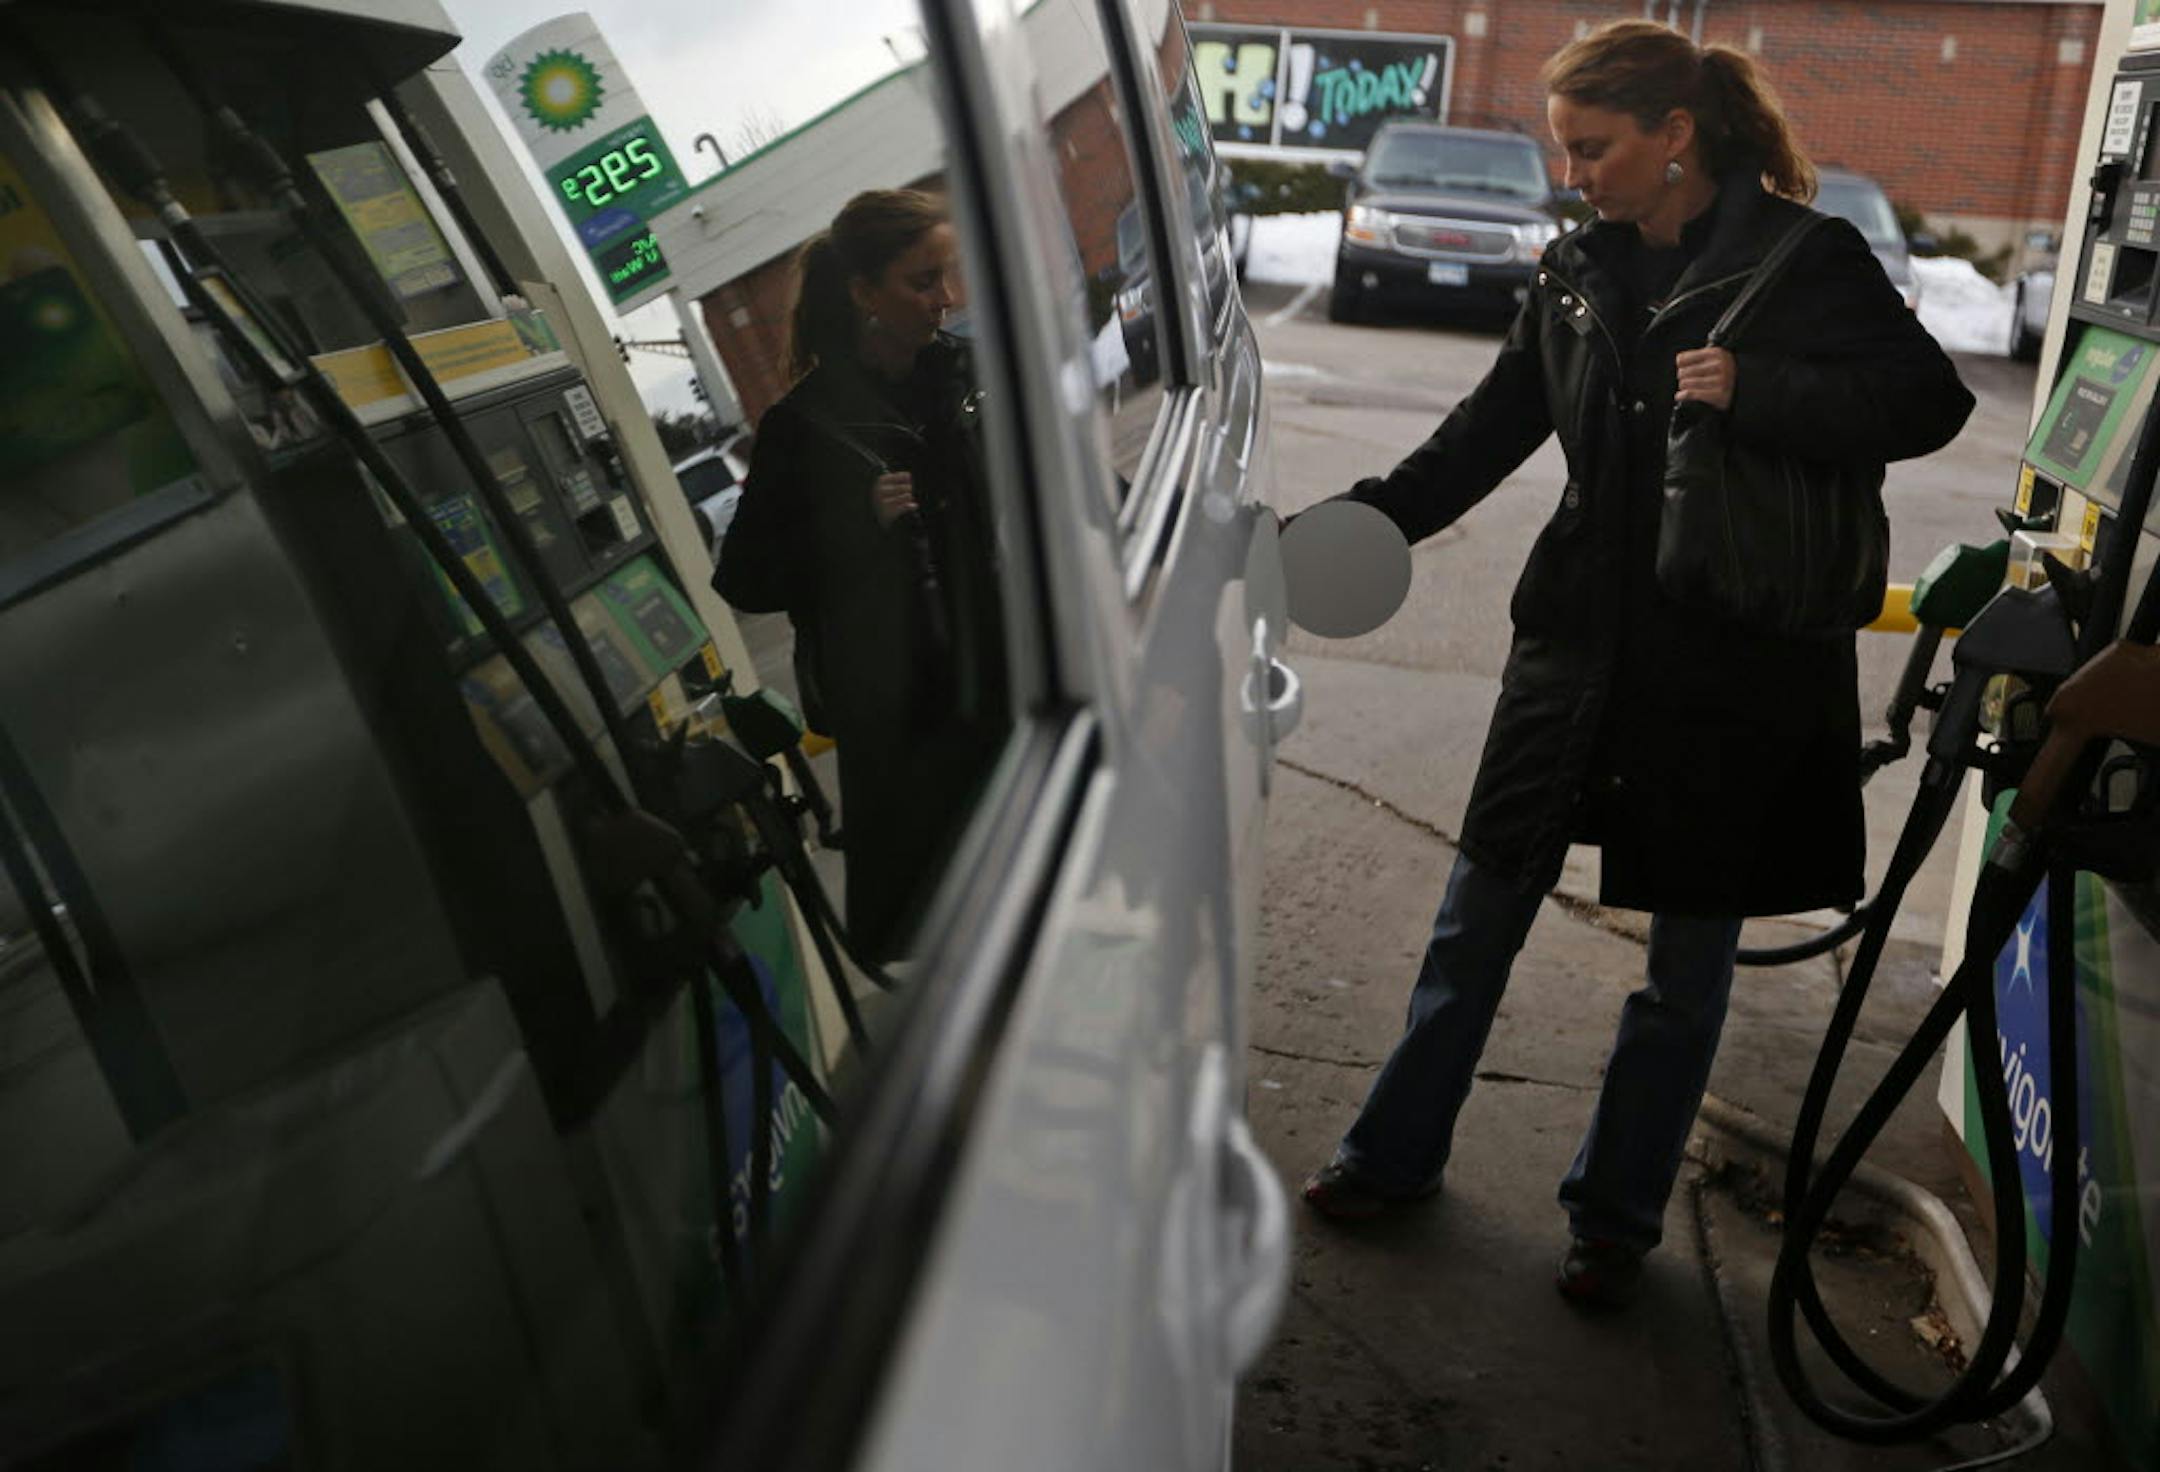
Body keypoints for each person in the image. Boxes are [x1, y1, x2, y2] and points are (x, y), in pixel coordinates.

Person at [1298, 20, 1974, 1309]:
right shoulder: (1572, 270)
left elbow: (1927, 400)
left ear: (1677, 139)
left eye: (1594, 148)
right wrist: (1359, 524)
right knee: (1475, 918)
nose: (1574, 174)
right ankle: (1390, 1156)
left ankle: (1613, 1219)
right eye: (1566, 149)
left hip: (1731, 671)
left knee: (1684, 969)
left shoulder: (1803, 260)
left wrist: (1755, 388)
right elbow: (1485, 431)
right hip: (1575, 650)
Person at [715, 189, 1005, 963]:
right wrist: (855, 527)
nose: (945, 299)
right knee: (964, 937)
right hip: (910, 726)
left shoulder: (971, 375)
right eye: (922, 281)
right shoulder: (803, 428)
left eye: (946, 275)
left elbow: (1065, 476)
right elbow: (742, 579)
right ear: (863, 293)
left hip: (1007, 682)